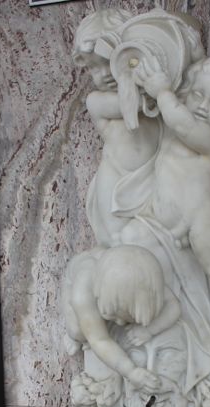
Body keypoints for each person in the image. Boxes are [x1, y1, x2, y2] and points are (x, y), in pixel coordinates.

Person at [134, 55, 210, 345]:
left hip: (200, 220)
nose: (203, 106)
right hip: (163, 221)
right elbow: (163, 119)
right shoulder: (172, 127)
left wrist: (162, 91)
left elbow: (184, 126)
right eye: (198, 95)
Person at [73, 9, 162, 247]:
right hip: (115, 177)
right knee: (116, 239)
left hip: (151, 175)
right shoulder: (96, 101)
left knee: (152, 238)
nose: (104, 74)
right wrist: (153, 84)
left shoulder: (150, 95)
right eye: (94, 68)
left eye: (109, 62)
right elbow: (132, 105)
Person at [61, 245, 181, 393]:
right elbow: (99, 340)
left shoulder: (143, 278)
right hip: (73, 283)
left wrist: (149, 330)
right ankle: (76, 334)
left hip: (109, 265)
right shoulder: (82, 294)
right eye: (113, 316)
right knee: (79, 332)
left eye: (126, 319)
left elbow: (174, 306)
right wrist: (131, 372)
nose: (120, 323)